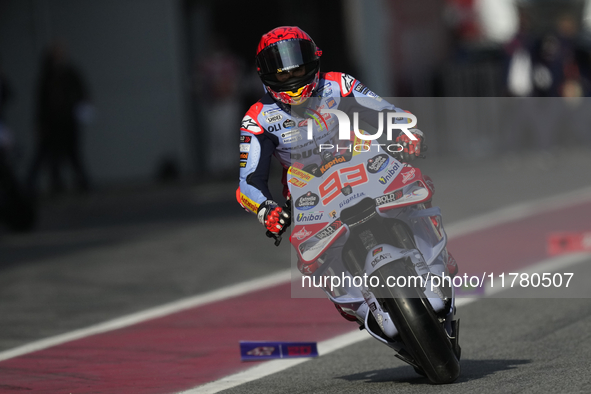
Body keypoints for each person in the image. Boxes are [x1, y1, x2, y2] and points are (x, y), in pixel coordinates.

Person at [236, 26, 458, 321]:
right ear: (264, 75)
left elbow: (383, 113)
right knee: (315, 256)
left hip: (365, 164)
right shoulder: (256, 120)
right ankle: (357, 302)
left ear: (313, 62)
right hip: (310, 192)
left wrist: (406, 133)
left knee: (412, 186)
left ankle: (435, 258)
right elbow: (248, 181)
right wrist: (267, 209)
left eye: (298, 69)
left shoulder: (338, 85)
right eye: (282, 74)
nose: (291, 79)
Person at [27, 41, 91, 195]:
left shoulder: (69, 73)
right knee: (51, 154)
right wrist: (40, 122)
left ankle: (80, 181)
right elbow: (42, 102)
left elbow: (81, 91)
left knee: (72, 152)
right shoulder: (47, 75)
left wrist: (79, 107)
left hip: (67, 120)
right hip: (52, 122)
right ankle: (56, 184)